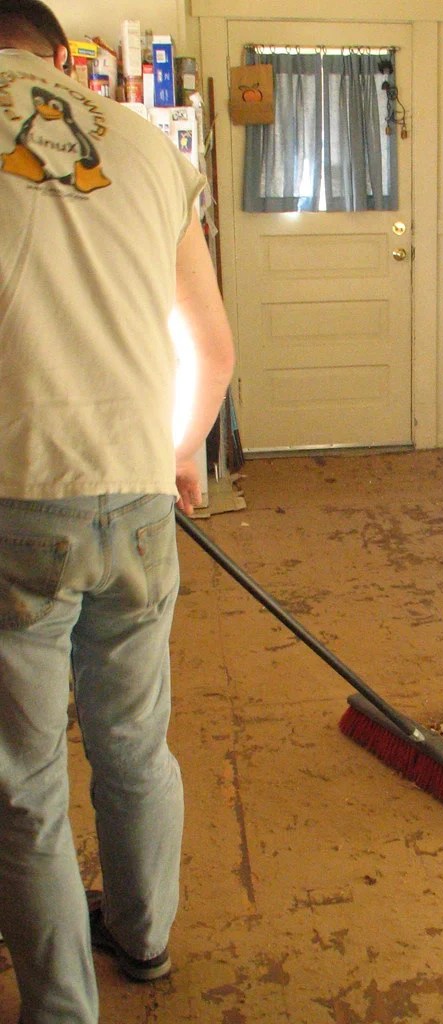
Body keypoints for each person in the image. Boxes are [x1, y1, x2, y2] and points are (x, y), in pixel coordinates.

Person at [0, 2, 235, 1022]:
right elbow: (212, 349)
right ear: (61, 59)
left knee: (24, 780)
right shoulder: (141, 144)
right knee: (135, 741)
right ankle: (144, 938)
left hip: (15, 497)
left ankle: (61, 1006)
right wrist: (179, 451)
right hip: (136, 498)